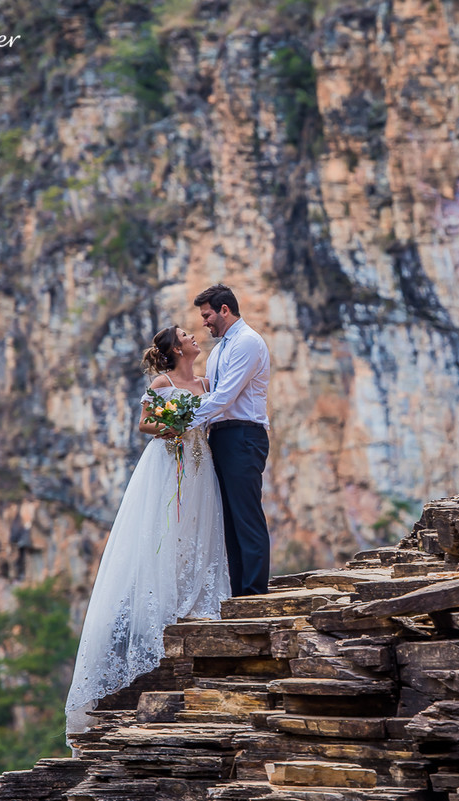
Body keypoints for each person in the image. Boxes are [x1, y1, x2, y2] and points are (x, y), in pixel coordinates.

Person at [65, 325, 230, 740]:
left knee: (198, 525)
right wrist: (171, 426)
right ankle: (163, 598)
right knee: (164, 524)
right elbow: (144, 424)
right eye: (188, 334)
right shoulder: (164, 382)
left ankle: (194, 592)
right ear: (177, 348)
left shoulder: (207, 381)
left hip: (199, 462)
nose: (195, 337)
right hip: (167, 460)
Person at [192, 284, 272, 596]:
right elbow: (211, 391)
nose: (204, 322)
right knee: (229, 519)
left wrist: (186, 420)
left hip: (243, 434)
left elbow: (224, 395)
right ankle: (238, 591)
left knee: (246, 515)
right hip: (222, 436)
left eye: (207, 315)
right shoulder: (218, 350)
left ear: (225, 310)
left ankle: (253, 592)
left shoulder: (248, 342)